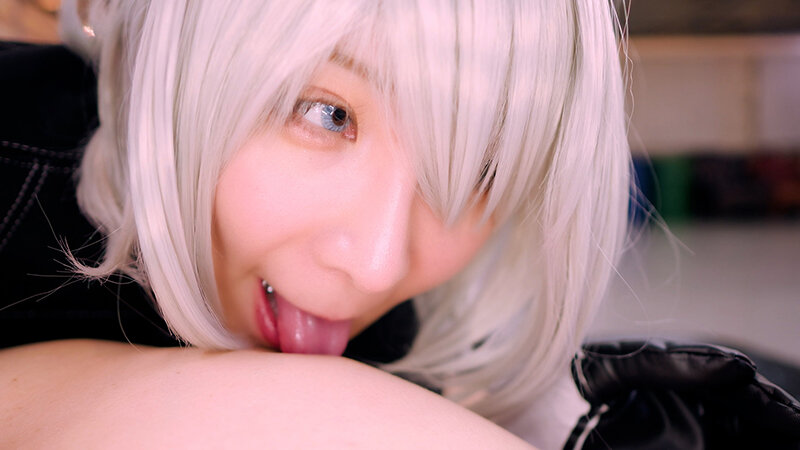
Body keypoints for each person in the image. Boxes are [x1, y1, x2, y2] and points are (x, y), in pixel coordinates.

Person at [10, 1, 794, 449]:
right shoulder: (21, 156)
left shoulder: (364, 326)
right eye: (327, 114)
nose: (380, 264)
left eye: (480, 169)